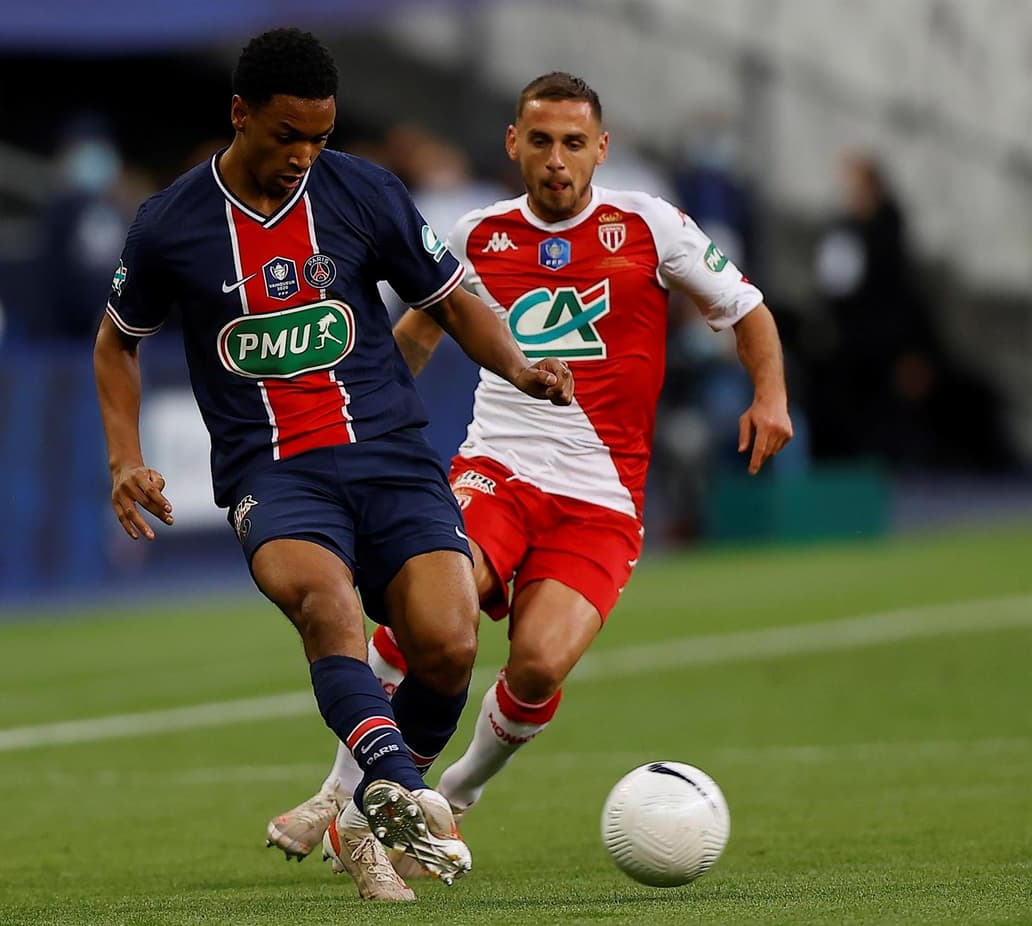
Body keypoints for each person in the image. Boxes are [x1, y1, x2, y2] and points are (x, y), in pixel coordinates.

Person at [267, 71, 793, 872]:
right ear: (513, 143)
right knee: (434, 614)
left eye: (574, 143)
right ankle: (340, 795)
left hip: (602, 498)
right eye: (540, 141)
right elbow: (417, 334)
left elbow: (746, 307)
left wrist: (770, 395)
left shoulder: (649, 225)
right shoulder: (477, 235)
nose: (557, 160)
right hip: (496, 472)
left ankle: (454, 798)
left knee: (540, 663)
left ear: (600, 149)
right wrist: (356, 427)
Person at [92, 30, 574, 902]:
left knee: (450, 640)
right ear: (240, 115)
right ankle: (396, 788)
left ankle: (362, 813)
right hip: (271, 473)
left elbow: (453, 301)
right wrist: (125, 458)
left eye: (318, 136)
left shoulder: (362, 192)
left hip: (389, 453)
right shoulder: (171, 224)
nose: (302, 156)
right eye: (286, 136)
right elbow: (116, 344)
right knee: (327, 602)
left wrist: (518, 363)